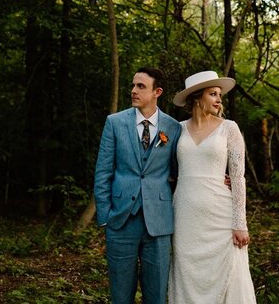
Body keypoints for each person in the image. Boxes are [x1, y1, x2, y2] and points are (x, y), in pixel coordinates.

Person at [94, 67, 181, 304]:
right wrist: (105, 217)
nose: (133, 90)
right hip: (120, 221)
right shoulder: (114, 123)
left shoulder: (173, 127)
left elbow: (179, 172)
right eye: (133, 85)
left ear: (157, 92)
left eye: (141, 86)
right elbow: (103, 172)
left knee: (156, 296)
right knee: (121, 295)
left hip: (159, 224)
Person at [168, 70, 257, 304]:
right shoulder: (176, 129)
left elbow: (238, 178)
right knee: (187, 273)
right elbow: (163, 169)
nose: (219, 99)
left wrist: (240, 223)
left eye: (219, 94)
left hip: (220, 213)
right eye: (212, 94)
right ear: (197, 97)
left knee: (230, 272)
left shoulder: (229, 128)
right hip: (185, 215)